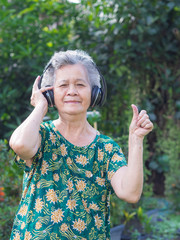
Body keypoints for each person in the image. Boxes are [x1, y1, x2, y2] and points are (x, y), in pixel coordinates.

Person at [9, 50, 153, 240]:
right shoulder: (41, 135)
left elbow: (130, 193)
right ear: (50, 93)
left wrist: (136, 140)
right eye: (63, 85)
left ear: (94, 93)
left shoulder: (105, 148)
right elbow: (20, 145)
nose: (72, 91)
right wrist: (41, 106)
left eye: (80, 84)